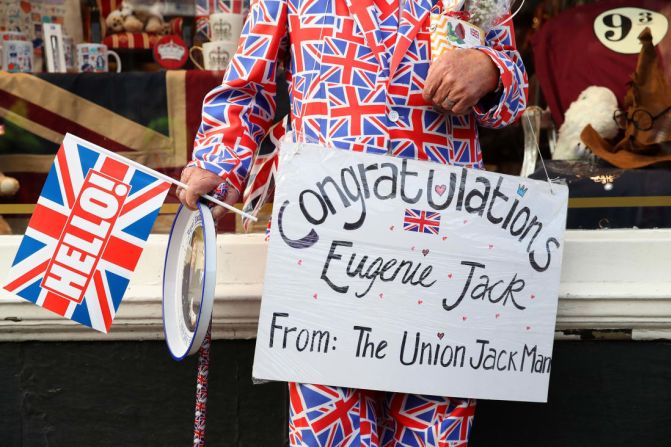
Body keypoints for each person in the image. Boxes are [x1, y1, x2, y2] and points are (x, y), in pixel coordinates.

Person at [178, 0, 528, 445]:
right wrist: (219, 162)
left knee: (435, 430)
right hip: (326, 239)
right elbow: (248, 87)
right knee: (329, 430)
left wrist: (490, 69)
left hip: (440, 243)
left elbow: (511, 101)